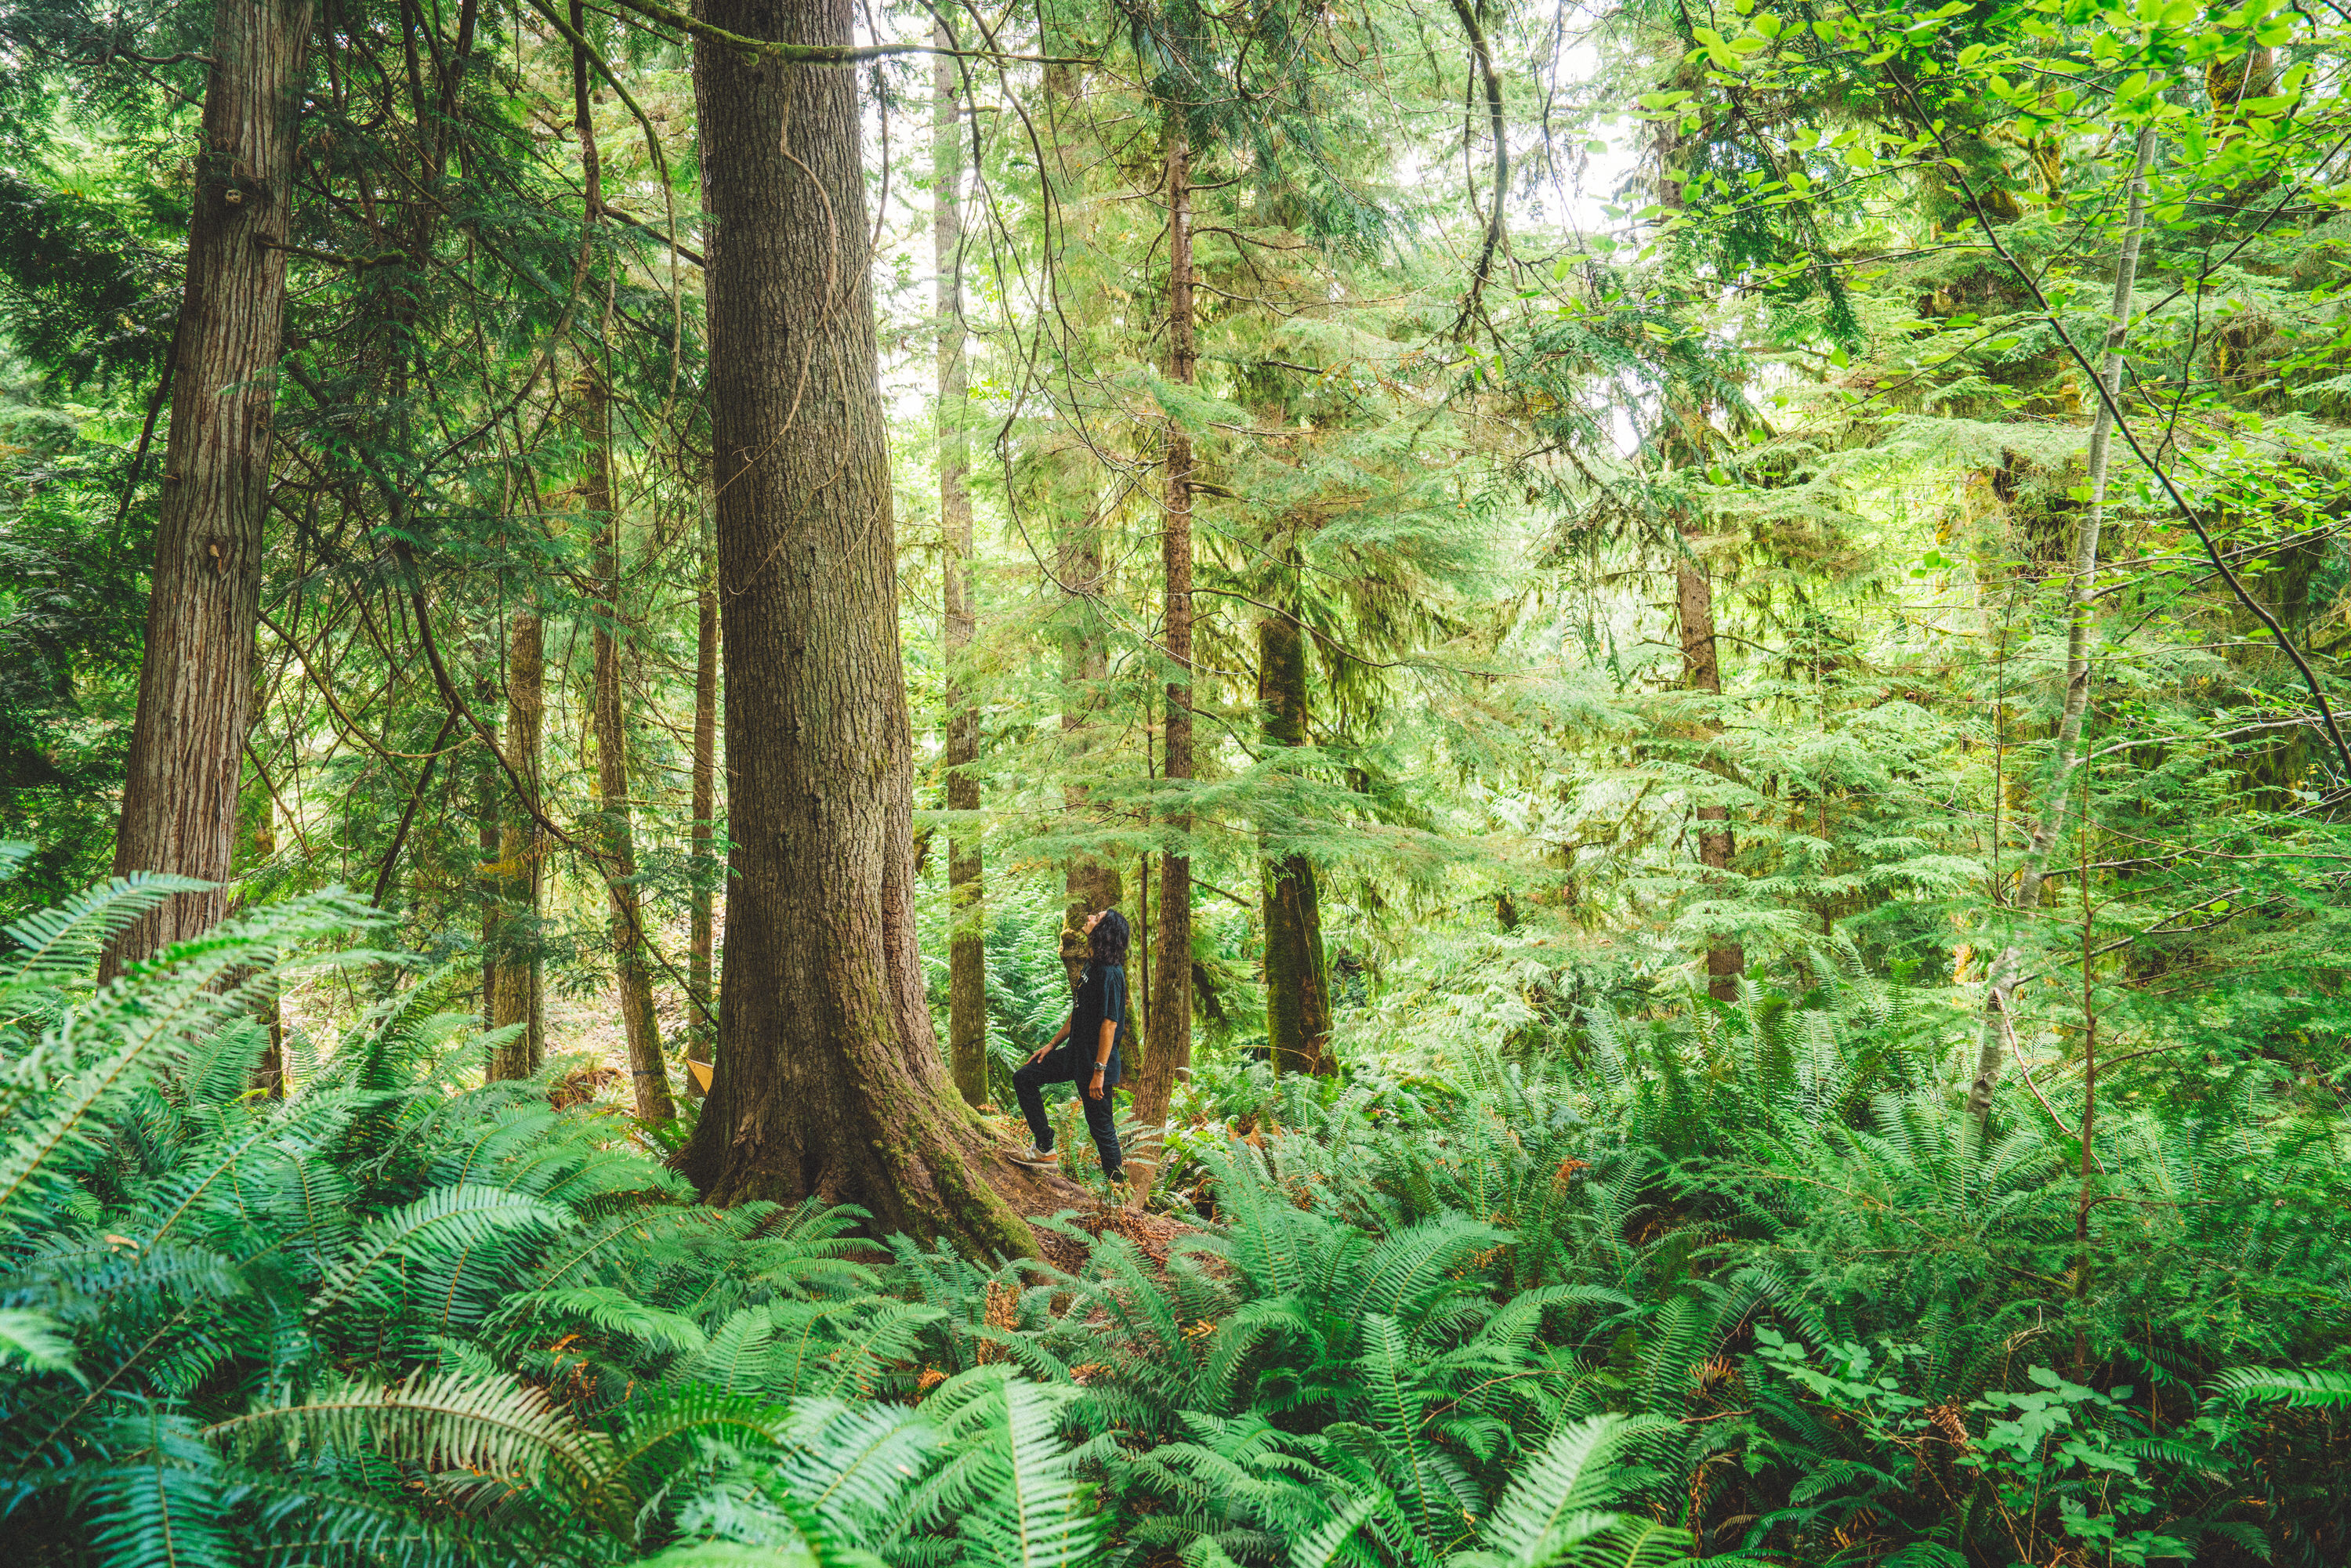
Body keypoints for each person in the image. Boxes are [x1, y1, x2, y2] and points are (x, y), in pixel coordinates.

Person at [1010, 906, 1128, 1181]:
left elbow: (1109, 1025)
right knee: (1024, 1077)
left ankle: (1119, 1193)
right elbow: (1079, 1010)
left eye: (1097, 918)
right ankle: (1044, 1148)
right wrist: (1052, 1045)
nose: (1089, 917)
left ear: (1105, 931)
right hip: (1075, 1055)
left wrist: (1099, 1072)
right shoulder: (1093, 964)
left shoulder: (1111, 973)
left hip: (1096, 1064)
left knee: (1102, 1129)